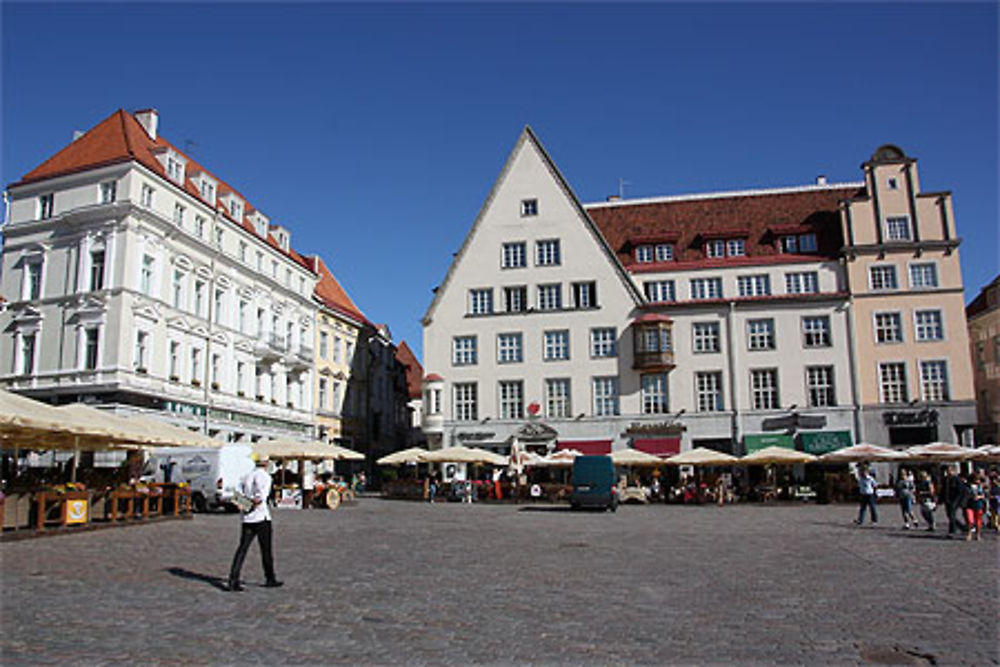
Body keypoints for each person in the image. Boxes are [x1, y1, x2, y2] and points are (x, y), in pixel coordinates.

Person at [227, 455, 283, 591]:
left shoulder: (247, 476)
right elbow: (260, 497)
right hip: (261, 517)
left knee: (242, 549)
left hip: (246, 518)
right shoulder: (265, 477)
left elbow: (237, 495)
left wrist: (244, 506)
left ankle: (233, 579)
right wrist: (253, 504)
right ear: (266, 463)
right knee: (266, 549)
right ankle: (270, 578)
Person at [939, 466, 968, 537]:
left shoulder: (957, 479)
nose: (948, 472)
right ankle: (962, 527)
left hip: (954, 500)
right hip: (947, 500)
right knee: (950, 515)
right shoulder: (945, 479)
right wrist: (940, 500)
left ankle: (952, 530)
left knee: (952, 515)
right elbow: (943, 490)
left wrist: (959, 501)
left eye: (950, 470)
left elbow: (961, 491)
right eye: (947, 471)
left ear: (953, 471)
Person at [965, 472, 987, 542]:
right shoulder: (968, 486)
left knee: (978, 521)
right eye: (976, 479)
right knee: (970, 520)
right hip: (969, 505)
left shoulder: (980, 487)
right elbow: (966, 494)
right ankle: (969, 534)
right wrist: (971, 496)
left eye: (978, 479)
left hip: (978, 505)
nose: (978, 481)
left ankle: (978, 534)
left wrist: (979, 497)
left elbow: (984, 495)